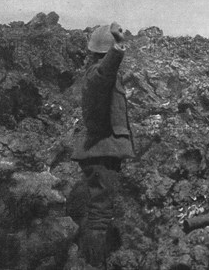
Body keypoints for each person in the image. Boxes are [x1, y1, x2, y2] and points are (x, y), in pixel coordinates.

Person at [67, 22, 135, 268]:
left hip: (100, 151)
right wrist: (118, 47)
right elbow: (106, 72)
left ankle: (87, 259)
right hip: (102, 153)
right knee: (100, 217)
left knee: (97, 213)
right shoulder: (98, 74)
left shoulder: (96, 75)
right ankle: (95, 265)